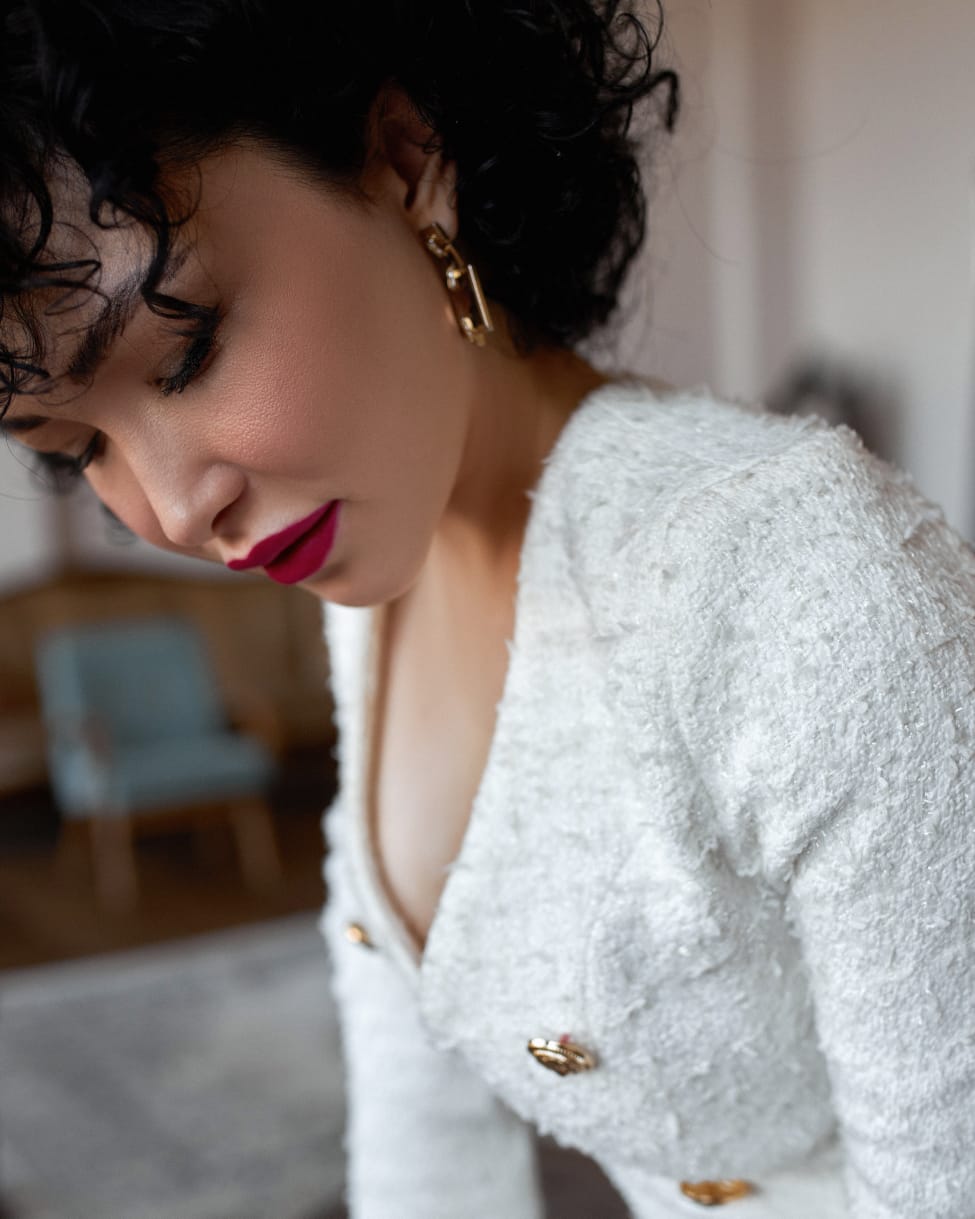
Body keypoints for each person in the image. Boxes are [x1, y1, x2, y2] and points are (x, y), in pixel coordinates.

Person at [1, 3, 973, 1217]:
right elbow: (420, 1121)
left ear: (406, 159)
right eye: (76, 444)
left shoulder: (808, 586)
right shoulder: (380, 566)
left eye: (185, 355)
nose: (174, 509)